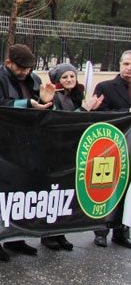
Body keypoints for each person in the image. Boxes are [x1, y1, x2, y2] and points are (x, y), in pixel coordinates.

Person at [0, 44, 55, 257]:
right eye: (21, 68)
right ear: (9, 63)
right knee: (0, 193)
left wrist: (46, 103)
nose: (25, 72)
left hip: (26, 142)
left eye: (29, 68)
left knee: (22, 192)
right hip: (3, 142)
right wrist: (27, 103)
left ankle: (16, 237)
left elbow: (41, 105)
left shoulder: (34, 79)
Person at [41, 63, 103, 250]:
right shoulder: (54, 97)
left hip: (73, 151)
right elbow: (61, 122)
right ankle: (48, 234)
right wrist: (83, 110)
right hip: (56, 150)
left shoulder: (78, 96)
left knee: (67, 194)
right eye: (65, 77)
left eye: (72, 77)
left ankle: (61, 232)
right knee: (54, 194)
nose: (69, 80)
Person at [91, 49, 131, 248]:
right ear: (120, 65)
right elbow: (98, 115)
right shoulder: (106, 87)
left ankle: (121, 231)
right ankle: (101, 230)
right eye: (126, 64)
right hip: (111, 149)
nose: (129, 68)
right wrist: (127, 113)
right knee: (106, 189)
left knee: (127, 193)